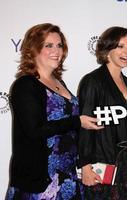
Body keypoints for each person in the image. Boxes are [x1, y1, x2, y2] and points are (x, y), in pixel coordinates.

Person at [5, 23, 100, 200]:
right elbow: (34, 130)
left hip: (67, 175)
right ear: (33, 49)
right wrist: (77, 121)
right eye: (48, 45)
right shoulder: (25, 85)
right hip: (40, 181)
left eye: (59, 45)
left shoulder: (59, 83)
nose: (56, 50)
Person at [77, 26, 127, 199]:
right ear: (107, 49)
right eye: (120, 46)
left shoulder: (126, 80)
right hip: (102, 160)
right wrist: (85, 165)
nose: (126, 51)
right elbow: (85, 125)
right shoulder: (93, 81)